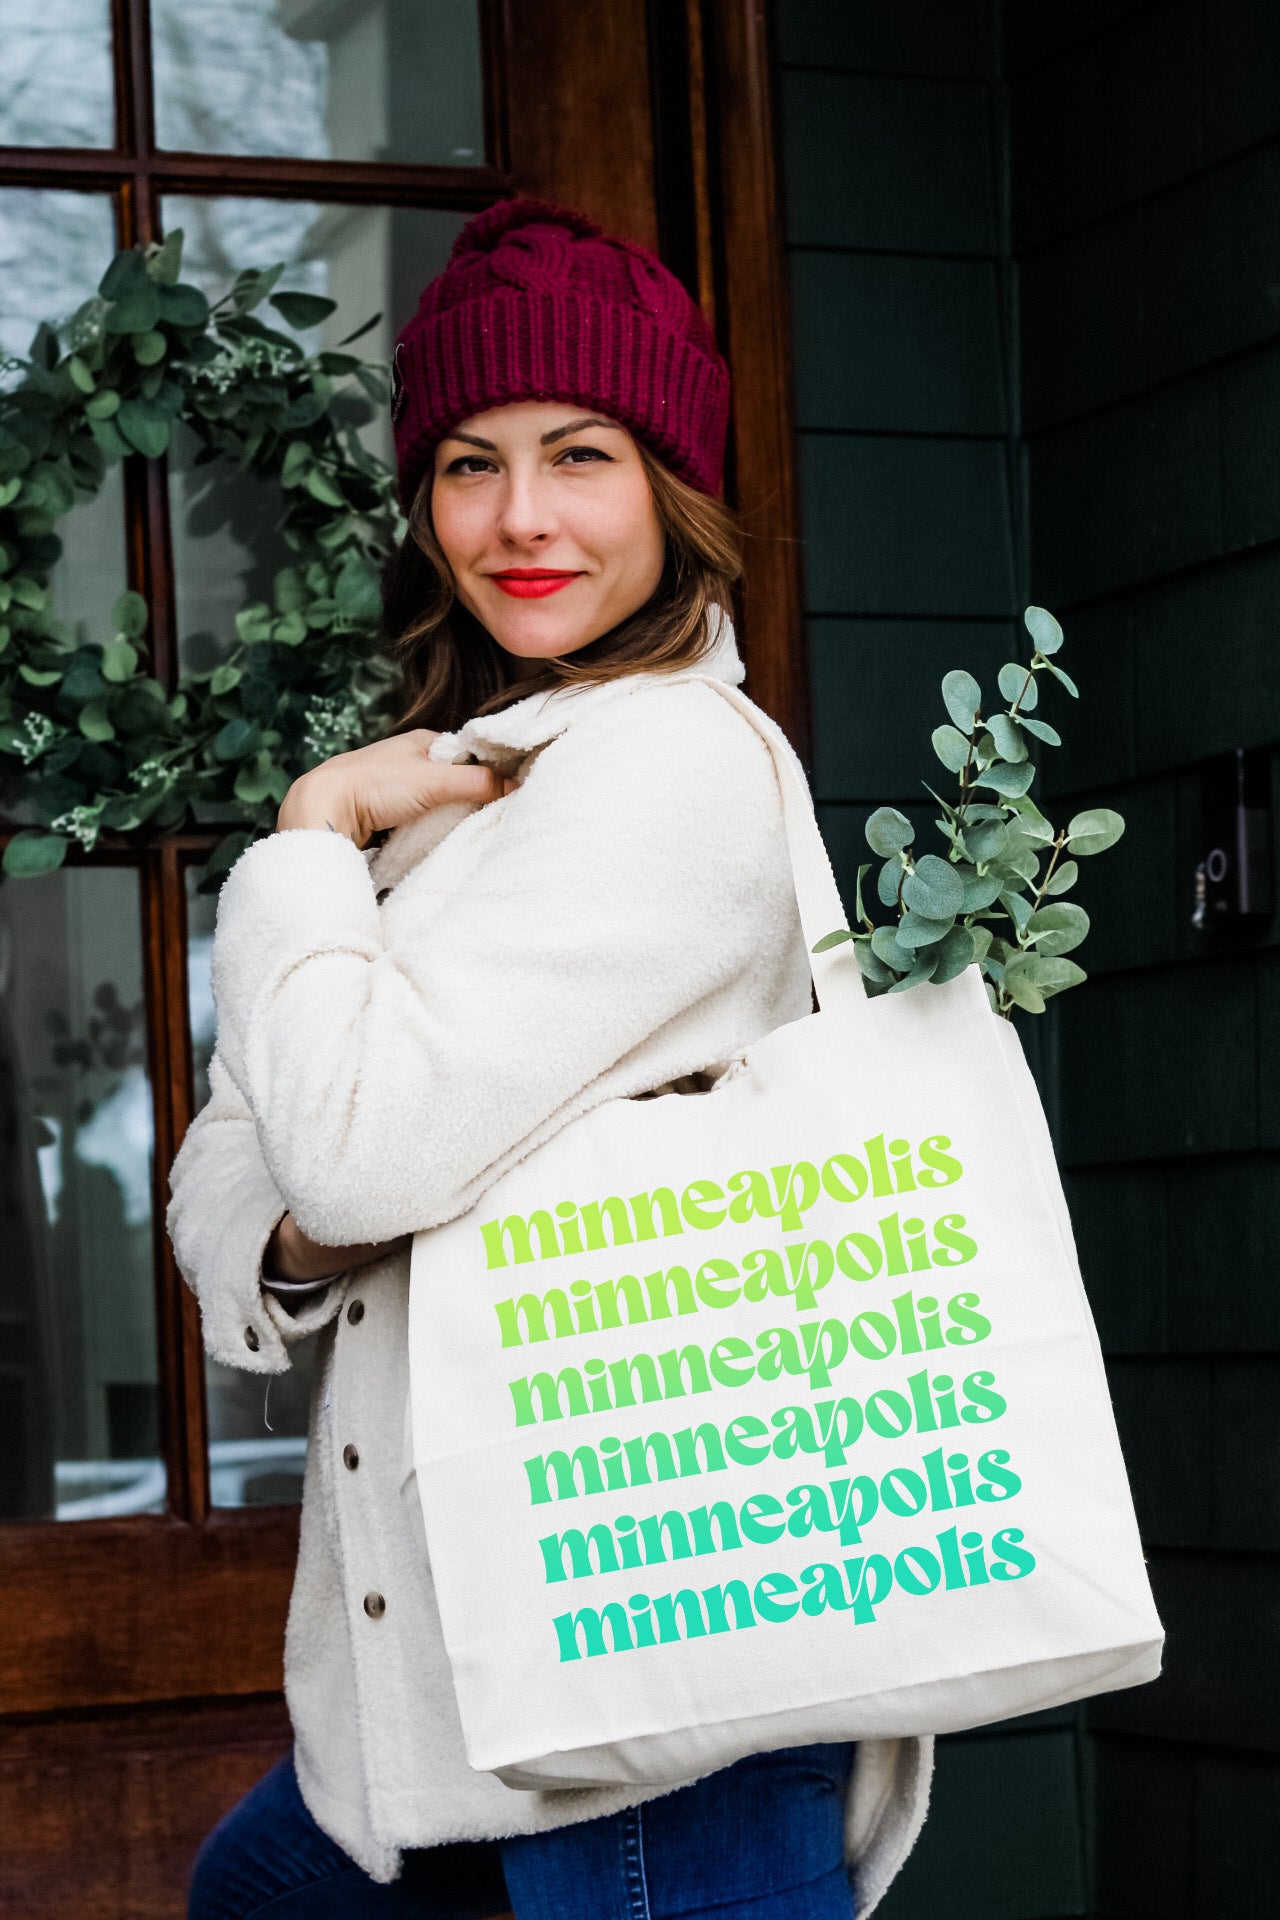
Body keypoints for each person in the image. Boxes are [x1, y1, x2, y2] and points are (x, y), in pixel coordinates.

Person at [171, 199, 932, 1920]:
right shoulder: (464, 788)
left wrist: (304, 836)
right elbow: (237, 1173)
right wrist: (312, 1204)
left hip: (651, 1672)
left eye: (578, 454)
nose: (518, 519)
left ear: (672, 485)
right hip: (448, 1682)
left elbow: (348, 1151)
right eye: (466, 462)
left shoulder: (663, 766)